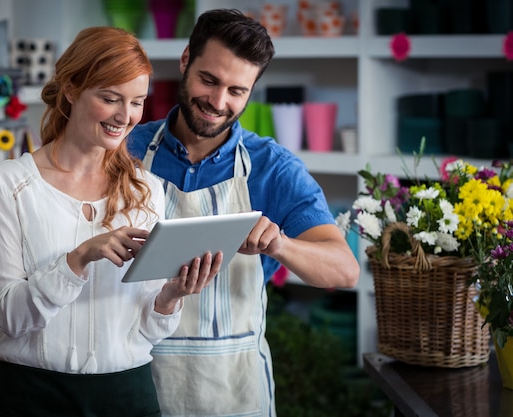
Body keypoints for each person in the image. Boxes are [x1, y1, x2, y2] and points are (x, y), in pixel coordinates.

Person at [127, 8, 360, 417]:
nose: (218, 102)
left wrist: (282, 245)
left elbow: (344, 270)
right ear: (185, 61)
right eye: (209, 80)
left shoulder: (272, 167)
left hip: (234, 391)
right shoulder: (127, 152)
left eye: (237, 90)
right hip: (135, 380)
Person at [0, 26, 222, 417]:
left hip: (128, 393)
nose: (125, 117)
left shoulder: (145, 189)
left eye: (137, 102)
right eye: (110, 98)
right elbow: (10, 317)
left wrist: (171, 296)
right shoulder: (8, 184)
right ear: (72, 89)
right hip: (33, 395)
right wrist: (78, 259)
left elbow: (145, 330)